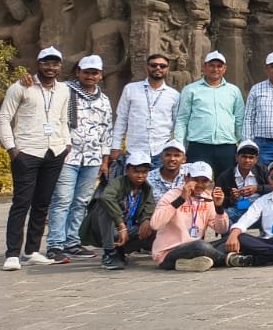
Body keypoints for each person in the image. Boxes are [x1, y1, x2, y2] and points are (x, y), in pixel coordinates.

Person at [41, 55, 113, 261]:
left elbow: (107, 129)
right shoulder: (63, 90)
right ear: (77, 72)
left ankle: (72, 241)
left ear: (100, 75)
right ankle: (55, 244)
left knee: (81, 201)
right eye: (86, 72)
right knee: (62, 200)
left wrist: (105, 159)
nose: (90, 76)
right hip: (67, 156)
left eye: (94, 73)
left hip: (92, 158)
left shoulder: (103, 99)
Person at [148, 162, 240, 271]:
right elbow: (155, 224)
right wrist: (180, 200)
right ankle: (226, 260)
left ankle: (192, 263)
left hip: (196, 248)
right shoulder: (171, 195)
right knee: (201, 246)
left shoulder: (207, 198)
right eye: (196, 179)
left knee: (234, 240)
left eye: (204, 181)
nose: (200, 184)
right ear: (186, 178)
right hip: (169, 252)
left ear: (210, 182)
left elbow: (221, 229)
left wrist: (219, 208)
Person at [174, 50, 246, 179]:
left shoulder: (233, 91)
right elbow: (182, 119)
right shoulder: (191, 89)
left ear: (224, 69)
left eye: (219, 66)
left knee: (226, 184)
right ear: (204, 67)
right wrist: (180, 146)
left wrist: (242, 144)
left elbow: (239, 119)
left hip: (227, 146)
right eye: (211, 65)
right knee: (195, 183)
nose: (215, 69)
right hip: (199, 145)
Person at [106, 52, 180, 177]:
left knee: (156, 191)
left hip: (160, 151)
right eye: (154, 65)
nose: (158, 68)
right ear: (147, 67)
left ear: (168, 69)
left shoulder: (174, 95)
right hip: (135, 150)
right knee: (131, 190)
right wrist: (115, 146)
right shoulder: (131, 89)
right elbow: (122, 119)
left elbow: (176, 123)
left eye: (162, 66)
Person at [86, 151, 156, 270]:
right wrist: (121, 225)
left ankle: (121, 251)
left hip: (129, 229)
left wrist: (146, 220)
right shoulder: (117, 183)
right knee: (104, 206)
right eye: (136, 171)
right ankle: (109, 253)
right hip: (109, 229)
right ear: (127, 170)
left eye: (144, 172)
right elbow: (106, 197)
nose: (140, 176)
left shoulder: (146, 188)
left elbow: (149, 207)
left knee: (155, 227)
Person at [219, 141, 268, 222]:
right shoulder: (225, 176)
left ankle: (268, 234)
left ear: (256, 159)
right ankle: (228, 235)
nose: (247, 160)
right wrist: (232, 199)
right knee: (224, 216)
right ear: (236, 158)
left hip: (259, 207)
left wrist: (257, 188)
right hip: (236, 209)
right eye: (244, 157)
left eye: (251, 157)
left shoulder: (263, 171)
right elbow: (217, 200)